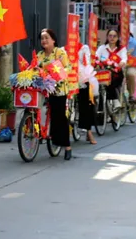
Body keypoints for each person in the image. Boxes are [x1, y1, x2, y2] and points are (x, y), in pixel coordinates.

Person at [38, 27, 74, 160]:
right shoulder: (40, 55)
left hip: (58, 89)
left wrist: (57, 75)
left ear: (53, 40)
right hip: (43, 89)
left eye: (47, 37)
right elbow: (35, 68)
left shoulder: (59, 53)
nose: (44, 40)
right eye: (42, 38)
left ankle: (67, 146)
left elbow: (68, 67)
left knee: (59, 117)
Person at [76, 39, 99, 145]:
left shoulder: (84, 48)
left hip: (81, 78)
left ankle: (89, 132)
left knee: (86, 102)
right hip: (67, 79)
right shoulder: (63, 50)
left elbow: (87, 64)